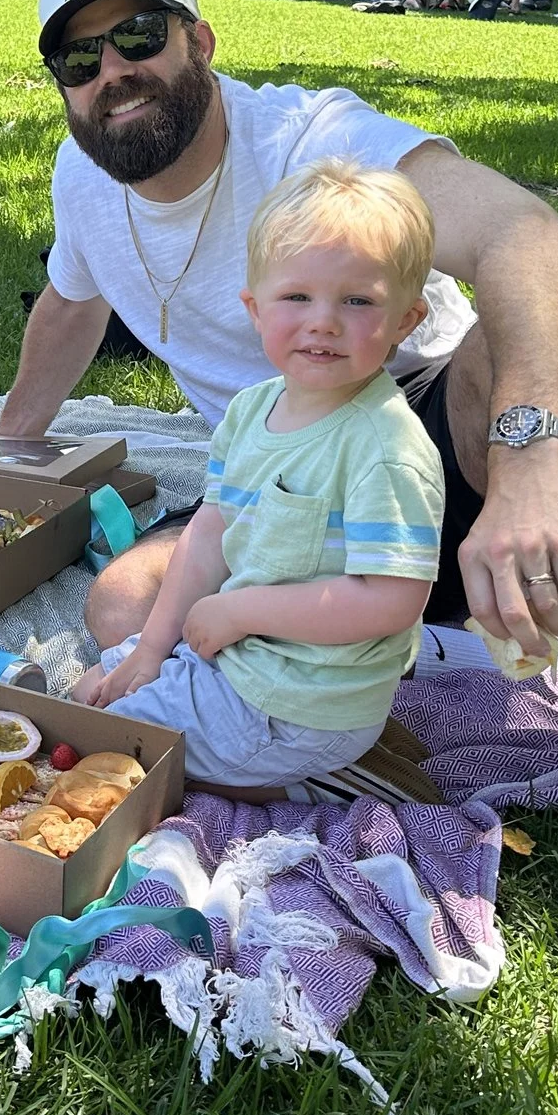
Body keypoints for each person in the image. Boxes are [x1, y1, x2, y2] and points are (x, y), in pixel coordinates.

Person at [1, 0, 558, 1084]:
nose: (111, 73)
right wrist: (3, 447)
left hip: (406, 429)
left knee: (550, 392)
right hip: (275, 490)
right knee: (128, 609)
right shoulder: (88, 180)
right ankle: (526, 656)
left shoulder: (310, 142)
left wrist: (525, 458)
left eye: (137, 36)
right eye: (79, 59)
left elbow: (539, 246)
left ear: (200, 39)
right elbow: (68, 309)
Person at [74, 160, 446, 795]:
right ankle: (264, 758)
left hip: (301, 700)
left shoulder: (383, 447)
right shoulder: (253, 410)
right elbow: (209, 533)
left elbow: (391, 600)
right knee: (88, 693)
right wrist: (150, 649)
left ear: (407, 320)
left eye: (357, 301)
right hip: (242, 659)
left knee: (101, 749)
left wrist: (241, 611)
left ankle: (316, 782)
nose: (323, 321)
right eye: (296, 297)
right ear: (254, 307)